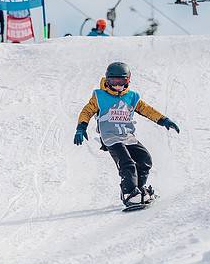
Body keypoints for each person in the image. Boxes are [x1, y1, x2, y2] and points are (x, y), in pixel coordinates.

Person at [74, 61, 180, 206]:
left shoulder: (132, 97)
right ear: (107, 80)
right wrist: (81, 127)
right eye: (113, 82)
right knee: (127, 163)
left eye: (121, 82)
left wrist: (164, 120)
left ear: (128, 80)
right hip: (110, 137)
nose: (117, 86)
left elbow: (147, 110)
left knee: (145, 159)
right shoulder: (99, 96)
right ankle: (128, 193)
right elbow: (87, 111)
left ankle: (139, 189)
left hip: (127, 136)